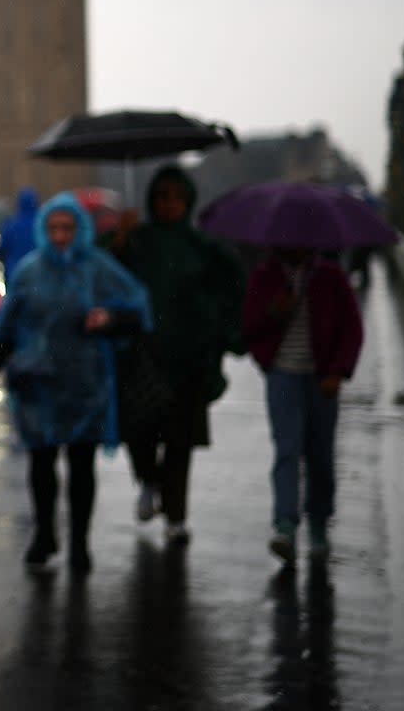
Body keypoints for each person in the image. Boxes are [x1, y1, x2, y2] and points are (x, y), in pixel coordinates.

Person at [0, 192, 151, 573]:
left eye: (67, 228)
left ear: (80, 229)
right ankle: (43, 533)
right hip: (37, 383)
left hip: (85, 383)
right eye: (53, 228)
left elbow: (137, 310)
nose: (59, 236)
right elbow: (5, 326)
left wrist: (110, 320)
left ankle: (79, 542)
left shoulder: (98, 268)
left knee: (80, 466)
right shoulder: (29, 270)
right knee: (41, 464)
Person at [103, 165, 245, 544]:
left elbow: (234, 283)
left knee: (180, 441)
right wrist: (120, 239)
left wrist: (220, 326)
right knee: (140, 431)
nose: (169, 205)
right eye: (162, 197)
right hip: (144, 355)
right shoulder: (137, 239)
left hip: (189, 357)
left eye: (176, 197)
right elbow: (103, 271)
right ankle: (149, 480)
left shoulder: (203, 247)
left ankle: (176, 516)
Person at [242, 245, 362, 565]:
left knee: (320, 455)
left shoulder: (331, 277)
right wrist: (274, 312)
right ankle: (285, 525)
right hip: (282, 375)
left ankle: (319, 524)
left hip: (322, 379)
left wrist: (338, 371)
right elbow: (250, 326)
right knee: (287, 450)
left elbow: (352, 328)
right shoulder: (265, 276)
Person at [0, 187, 40, 281]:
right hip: (38, 274)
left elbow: (2, 247)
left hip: (14, 271)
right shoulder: (41, 224)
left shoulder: (11, 224)